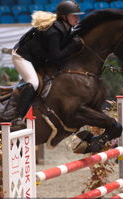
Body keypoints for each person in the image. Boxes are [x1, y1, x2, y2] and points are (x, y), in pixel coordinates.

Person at [10, 0, 84, 129]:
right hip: (22, 57)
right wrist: (72, 47)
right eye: (74, 15)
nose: (77, 18)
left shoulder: (66, 27)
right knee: (34, 82)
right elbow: (55, 57)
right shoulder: (54, 32)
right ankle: (17, 118)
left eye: (78, 15)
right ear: (64, 17)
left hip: (38, 58)